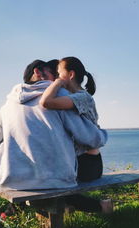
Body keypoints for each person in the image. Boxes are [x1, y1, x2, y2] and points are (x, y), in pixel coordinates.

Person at [0, 59, 108, 228]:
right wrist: (101, 134)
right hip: (59, 180)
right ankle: (11, 214)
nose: (57, 79)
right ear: (40, 72)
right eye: (55, 74)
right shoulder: (60, 99)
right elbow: (91, 138)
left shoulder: (8, 105)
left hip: (17, 180)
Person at [40, 56, 112, 213]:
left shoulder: (82, 97)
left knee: (54, 185)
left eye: (59, 73)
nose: (57, 77)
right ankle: (71, 207)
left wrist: (57, 82)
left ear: (70, 75)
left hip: (89, 164)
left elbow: (46, 102)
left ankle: (103, 207)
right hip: (80, 161)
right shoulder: (74, 97)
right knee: (49, 182)